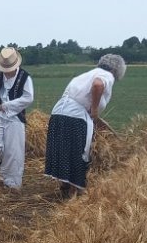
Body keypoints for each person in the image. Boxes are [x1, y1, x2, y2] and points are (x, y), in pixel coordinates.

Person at [44, 54, 126, 197]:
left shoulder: (87, 74)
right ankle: (75, 193)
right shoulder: (106, 75)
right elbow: (98, 85)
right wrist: (94, 109)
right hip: (76, 116)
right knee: (78, 153)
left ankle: (65, 188)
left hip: (58, 114)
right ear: (116, 69)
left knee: (63, 152)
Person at [0, 47, 34, 189]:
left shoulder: (25, 77)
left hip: (15, 116)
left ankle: (10, 183)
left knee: (13, 151)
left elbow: (28, 98)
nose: (6, 71)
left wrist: (8, 105)